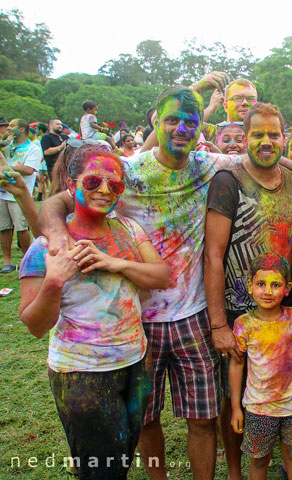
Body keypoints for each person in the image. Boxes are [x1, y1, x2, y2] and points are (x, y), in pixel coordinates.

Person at [41, 86, 243, 480]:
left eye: (190, 122)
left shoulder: (208, 165)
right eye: (172, 120)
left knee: (203, 419)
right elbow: (57, 203)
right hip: (138, 322)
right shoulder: (128, 171)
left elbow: (262, 157)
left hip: (193, 316)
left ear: (201, 127)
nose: (181, 129)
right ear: (155, 120)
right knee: (146, 420)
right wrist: (57, 233)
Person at [18, 145, 169, 479]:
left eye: (114, 185)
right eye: (93, 182)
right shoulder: (46, 249)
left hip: (135, 363)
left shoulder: (129, 230)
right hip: (81, 373)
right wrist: (54, 282)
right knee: (101, 468)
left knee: (123, 457)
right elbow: (33, 324)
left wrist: (116, 263)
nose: (104, 190)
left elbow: (161, 276)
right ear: (71, 186)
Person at [204, 102, 292, 480]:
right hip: (237, 312)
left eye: (273, 134)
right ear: (245, 137)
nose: (266, 141)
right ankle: (237, 470)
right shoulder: (227, 182)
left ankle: (285, 462)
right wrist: (218, 324)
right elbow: (213, 255)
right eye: (257, 134)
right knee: (234, 393)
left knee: (279, 387)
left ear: (284, 136)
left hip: (281, 313)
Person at [229, 253, 292, 480]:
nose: (268, 291)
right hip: (259, 407)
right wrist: (235, 408)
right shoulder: (244, 324)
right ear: (250, 286)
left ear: (287, 288)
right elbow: (236, 364)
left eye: (275, 285)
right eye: (261, 284)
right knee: (259, 459)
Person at [1, 118, 42, 273]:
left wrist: (4, 168)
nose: (9, 129)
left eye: (12, 126)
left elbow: (29, 169)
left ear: (23, 129)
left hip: (19, 194)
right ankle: (7, 262)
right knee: (4, 227)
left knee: (22, 228)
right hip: (3, 192)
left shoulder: (33, 148)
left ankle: (27, 260)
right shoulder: (6, 147)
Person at [41, 118, 69, 189]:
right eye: (57, 124)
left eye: (61, 124)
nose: (60, 126)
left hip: (66, 167)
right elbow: (46, 151)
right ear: (50, 125)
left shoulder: (64, 137)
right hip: (53, 167)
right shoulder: (46, 137)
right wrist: (60, 147)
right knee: (57, 189)